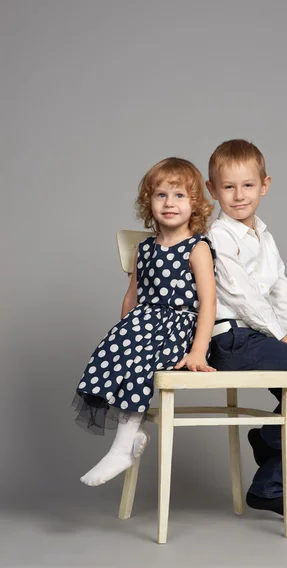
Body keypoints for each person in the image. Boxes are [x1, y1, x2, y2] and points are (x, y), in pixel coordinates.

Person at [206, 139, 287, 522]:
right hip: (232, 340)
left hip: (258, 338)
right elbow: (244, 297)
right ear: (213, 190)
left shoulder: (264, 235)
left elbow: (281, 288)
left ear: (265, 185)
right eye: (228, 187)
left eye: (247, 185)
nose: (238, 195)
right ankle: (267, 439)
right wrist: (283, 337)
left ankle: (267, 486)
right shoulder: (219, 235)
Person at [74, 157, 216, 486]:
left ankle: (123, 448)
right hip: (143, 323)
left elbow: (209, 301)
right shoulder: (145, 249)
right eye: (161, 195)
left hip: (177, 327)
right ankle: (131, 437)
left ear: (194, 204)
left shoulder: (197, 248)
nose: (170, 203)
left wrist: (199, 351)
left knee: (140, 360)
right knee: (111, 354)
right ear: (148, 202)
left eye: (179, 196)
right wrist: (125, 332)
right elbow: (132, 295)